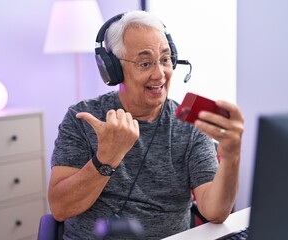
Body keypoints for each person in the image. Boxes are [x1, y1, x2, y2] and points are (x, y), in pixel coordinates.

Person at [48, 10, 244, 240]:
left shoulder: (188, 124)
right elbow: (60, 209)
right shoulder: (82, 118)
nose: (160, 74)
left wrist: (231, 156)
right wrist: (106, 158)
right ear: (114, 70)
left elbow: (215, 212)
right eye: (145, 63)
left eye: (165, 59)